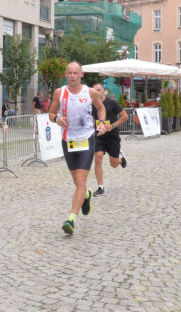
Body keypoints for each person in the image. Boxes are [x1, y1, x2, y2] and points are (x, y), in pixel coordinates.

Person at [48, 61, 108, 235]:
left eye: (76, 73)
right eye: (70, 73)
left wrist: (102, 123)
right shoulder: (59, 92)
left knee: (80, 181)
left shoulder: (90, 92)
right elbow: (51, 113)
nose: (73, 76)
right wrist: (57, 119)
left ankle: (71, 219)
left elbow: (101, 108)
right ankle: (87, 194)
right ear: (66, 75)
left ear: (81, 74)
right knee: (77, 182)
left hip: (86, 139)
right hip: (68, 141)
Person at [90, 83, 128, 196]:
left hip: (112, 136)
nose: (96, 92)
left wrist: (112, 126)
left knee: (114, 164)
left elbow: (125, 116)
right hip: (99, 135)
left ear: (103, 91)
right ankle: (100, 187)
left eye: (98, 90)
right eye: (94, 90)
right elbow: (92, 119)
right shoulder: (92, 104)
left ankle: (120, 156)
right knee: (98, 159)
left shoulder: (112, 103)